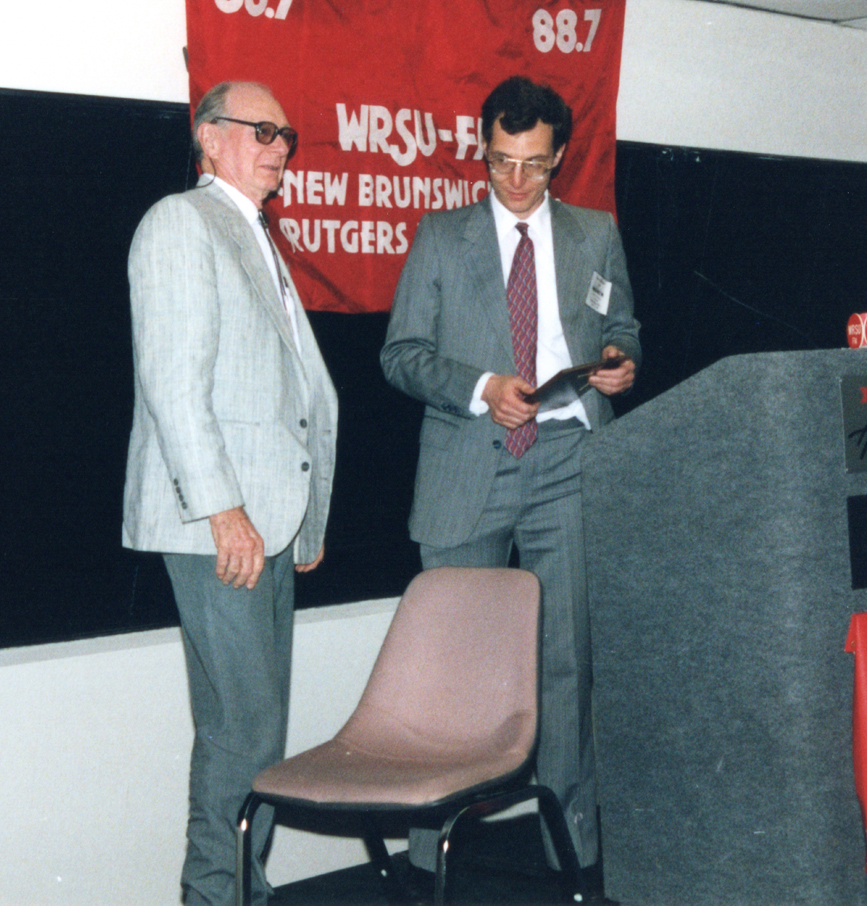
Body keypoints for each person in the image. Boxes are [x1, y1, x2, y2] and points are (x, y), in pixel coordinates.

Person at [380, 75, 639, 877]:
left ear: (560, 154)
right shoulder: (440, 236)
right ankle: (430, 863)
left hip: (568, 462)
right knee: (450, 674)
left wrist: (622, 365)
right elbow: (401, 356)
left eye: (533, 164)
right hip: (470, 467)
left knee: (567, 665)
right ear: (482, 150)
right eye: (499, 163)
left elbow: (621, 325)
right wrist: (481, 388)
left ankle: (576, 857)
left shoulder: (596, 235)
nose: (516, 182)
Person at [122, 81, 338, 906]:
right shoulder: (182, 222)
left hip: (263, 523)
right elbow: (174, 386)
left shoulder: (251, 234)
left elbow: (291, 395)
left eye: (286, 132)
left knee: (251, 729)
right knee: (244, 730)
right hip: (221, 524)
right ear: (208, 138)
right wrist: (224, 511)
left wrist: (302, 517)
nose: (279, 145)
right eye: (260, 131)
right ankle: (219, 896)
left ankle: (234, 890)